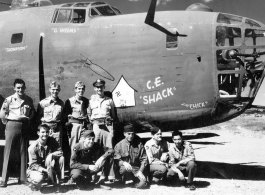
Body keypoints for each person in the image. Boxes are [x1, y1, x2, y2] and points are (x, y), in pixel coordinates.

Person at [0, 78, 35, 187]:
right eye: (18, 88)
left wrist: (28, 119)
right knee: (8, 151)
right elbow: (2, 113)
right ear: (14, 88)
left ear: (25, 88)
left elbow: (32, 112)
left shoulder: (29, 100)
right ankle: (4, 179)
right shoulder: (9, 99)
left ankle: (23, 178)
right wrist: (7, 123)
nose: (20, 90)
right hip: (12, 124)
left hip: (24, 126)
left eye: (22, 87)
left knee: (23, 151)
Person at [27, 124, 64, 191]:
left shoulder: (52, 141)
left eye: (47, 132)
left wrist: (51, 155)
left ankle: (55, 180)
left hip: (49, 166)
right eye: (43, 132)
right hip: (38, 169)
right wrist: (45, 170)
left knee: (61, 158)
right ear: (38, 133)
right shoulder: (33, 147)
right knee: (38, 178)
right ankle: (33, 183)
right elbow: (33, 165)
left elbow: (60, 152)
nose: (45, 134)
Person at [114, 124, 148, 189]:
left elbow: (144, 159)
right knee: (123, 169)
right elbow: (116, 159)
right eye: (129, 134)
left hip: (136, 170)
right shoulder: (119, 145)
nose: (131, 136)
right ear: (124, 134)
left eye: (132, 134)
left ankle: (135, 183)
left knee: (143, 184)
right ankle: (121, 180)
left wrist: (140, 171)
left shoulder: (139, 145)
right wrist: (124, 163)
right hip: (125, 169)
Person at [87, 79, 116, 148]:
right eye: (97, 87)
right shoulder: (91, 101)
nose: (99, 89)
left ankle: (109, 159)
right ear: (94, 88)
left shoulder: (109, 100)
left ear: (104, 87)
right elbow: (89, 114)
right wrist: (94, 122)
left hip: (107, 126)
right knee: (96, 145)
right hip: (96, 126)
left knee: (108, 146)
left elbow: (113, 114)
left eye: (101, 87)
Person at [63, 81, 89, 152]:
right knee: (73, 146)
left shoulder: (86, 101)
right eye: (79, 89)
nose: (81, 90)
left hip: (83, 126)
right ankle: (72, 162)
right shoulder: (69, 101)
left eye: (82, 89)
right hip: (74, 127)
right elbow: (65, 115)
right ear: (75, 90)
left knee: (83, 146)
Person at [37, 81, 64, 146]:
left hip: (56, 130)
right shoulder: (43, 103)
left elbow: (62, 117)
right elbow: (38, 117)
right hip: (45, 130)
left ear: (59, 90)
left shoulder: (61, 103)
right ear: (49, 89)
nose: (55, 91)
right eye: (53, 89)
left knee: (56, 147)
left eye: (57, 90)